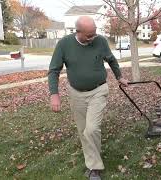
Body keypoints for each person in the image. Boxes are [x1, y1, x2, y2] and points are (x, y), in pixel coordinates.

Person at [48, 16, 129, 180]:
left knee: (91, 129)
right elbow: (54, 70)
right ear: (78, 32)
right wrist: (54, 94)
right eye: (89, 35)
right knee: (84, 131)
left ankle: (94, 168)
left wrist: (119, 76)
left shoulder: (100, 41)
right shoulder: (64, 44)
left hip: (98, 90)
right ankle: (93, 158)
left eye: (94, 33)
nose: (93, 38)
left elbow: (111, 60)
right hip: (76, 93)